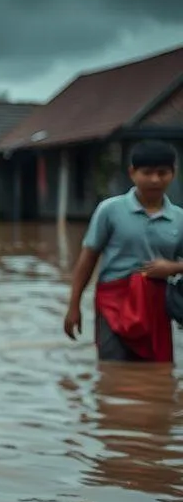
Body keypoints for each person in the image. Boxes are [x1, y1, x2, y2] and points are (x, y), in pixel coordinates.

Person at [63, 140, 182, 362]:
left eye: (162, 172)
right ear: (132, 173)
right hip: (114, 300)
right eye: (147, 172)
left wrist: (173, 267)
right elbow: (88, 259)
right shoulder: (110, 210)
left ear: (173, 173)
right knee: (112, 368)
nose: (155, 179)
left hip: (156, 304)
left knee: (158, 369)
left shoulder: (179, 219)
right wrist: (73, 306)